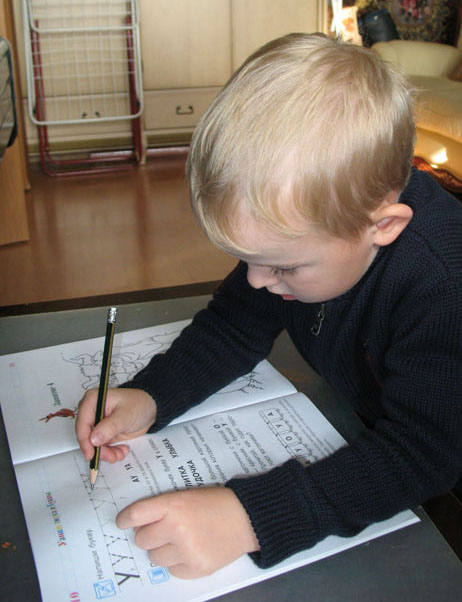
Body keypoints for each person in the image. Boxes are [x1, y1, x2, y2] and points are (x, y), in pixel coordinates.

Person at [76, 33, 462, 579]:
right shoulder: (306, 238)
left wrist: (251, 517)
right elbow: (232, 327)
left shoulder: (442, 287)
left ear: (383, 226)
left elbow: (424, 454)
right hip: (370, 420)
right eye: (246, 259)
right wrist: (152, 394)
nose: (256, 281)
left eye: (281, 267)